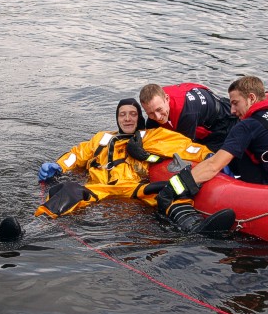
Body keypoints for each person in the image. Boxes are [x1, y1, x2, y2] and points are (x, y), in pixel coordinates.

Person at [32, 98, 234, 235]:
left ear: (139, 117)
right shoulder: (102, 138)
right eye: (122, 115)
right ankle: (36, 224)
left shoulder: (152, 137)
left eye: (132, 114)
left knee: (168, 190)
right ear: (117, 118)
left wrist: (208, 155)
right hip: (98, 187)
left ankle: (194, 225)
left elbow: (186, 147)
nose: (127, 119)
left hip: (133, 188)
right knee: (68, 190)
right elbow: (77, 155)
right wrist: (57, 165)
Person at [154, 76, 268, 218]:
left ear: (251, 98)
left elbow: (213, 167)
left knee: (221, 157)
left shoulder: (246, 126)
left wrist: (172, 188)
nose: (232, 111)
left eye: (235, 103)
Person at [139, 83, 238, 152]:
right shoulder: (157, 100)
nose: (157, 117)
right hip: (205, 110)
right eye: (150, 113)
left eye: (159, 110)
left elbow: (184, 147)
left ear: (167, 99)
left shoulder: (186, 113)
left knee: (204, 155)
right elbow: (150, 132)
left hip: (224, 121)